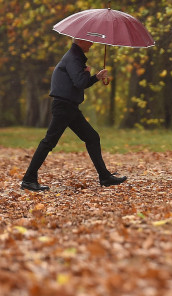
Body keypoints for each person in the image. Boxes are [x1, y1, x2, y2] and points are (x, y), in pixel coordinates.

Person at [21, 39, 127, 191]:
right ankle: (28, 179)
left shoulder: (75, 57)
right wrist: (88, 73)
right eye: (89, 41)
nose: (91, 44)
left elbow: (78, 82)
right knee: (49, 142)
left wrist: (96, 77)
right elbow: (80, 82)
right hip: (64, 107)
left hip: (69, 107)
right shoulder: (73, 58)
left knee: (91, 137)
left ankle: (105, 176)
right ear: (80, 41)